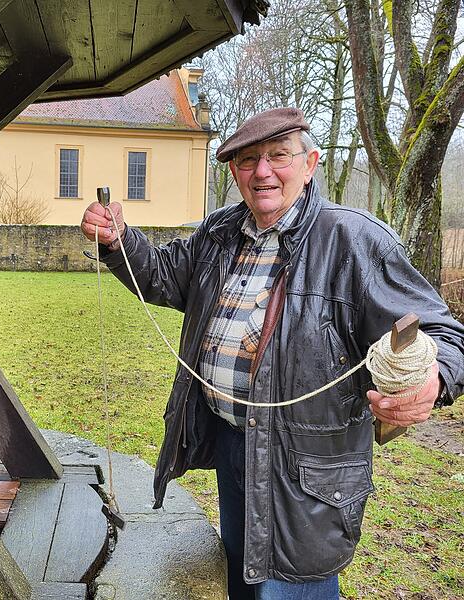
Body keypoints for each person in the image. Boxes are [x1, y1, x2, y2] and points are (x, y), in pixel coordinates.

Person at [80, 107, 464, 599]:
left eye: (279, 156)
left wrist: (433, 380)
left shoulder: (355, 241)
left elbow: (443, 333)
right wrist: (119, 240)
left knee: (292, 585)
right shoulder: (221, 232)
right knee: (242, 573)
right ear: (236, 172)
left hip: (306, 471)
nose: (262, 172)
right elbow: (163, 272)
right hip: (233, 444)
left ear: (310, 164)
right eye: (247, 160)